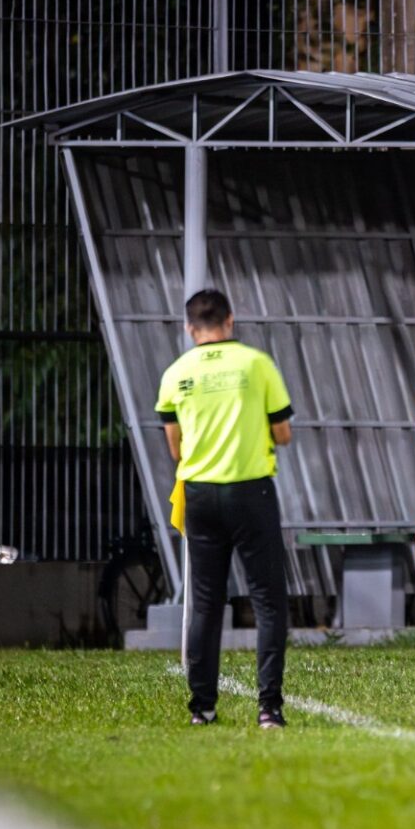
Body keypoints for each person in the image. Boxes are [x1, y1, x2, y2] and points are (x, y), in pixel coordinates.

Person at [155, 289, 292, 728]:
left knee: (205, 602)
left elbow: (174, 447)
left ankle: (203, 707)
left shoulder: (176, 373)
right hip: (250, 490)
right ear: (230, 320)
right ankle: (269, 708)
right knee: (268, 601)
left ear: (189, 327)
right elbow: (283, 433)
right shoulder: (256, 363)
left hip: (199, 494)